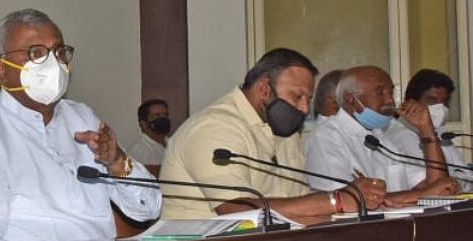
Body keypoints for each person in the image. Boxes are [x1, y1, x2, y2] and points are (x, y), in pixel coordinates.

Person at [0, 9, 160, 241]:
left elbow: (149, 209)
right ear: (0, 70)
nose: (53, 63)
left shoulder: (83, 117)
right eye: (36, 53)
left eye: (59, 52)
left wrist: (117, 162)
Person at [160, 48, 384, 223]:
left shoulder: (283, 130)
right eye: (297, 97)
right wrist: (336, 201)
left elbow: (300, 204)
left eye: (308, 99)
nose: (305, 109)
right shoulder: (214, 128)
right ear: (264, 89)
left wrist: (350, 204)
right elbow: (236, 209)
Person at [304, 66, 458, 203]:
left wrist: (427, 130)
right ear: (351, 100)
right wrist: (420, 195)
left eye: (391, 92)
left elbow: (438, 189)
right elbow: (343, 203)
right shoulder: (326, 137)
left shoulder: (381, 137)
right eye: (380, 93)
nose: (390, 100)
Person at [388, 68, 473, 189]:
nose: (440, 107)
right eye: (432, 101)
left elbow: (468, 177)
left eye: (444, 102)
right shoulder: (400, 134)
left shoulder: (439, 130)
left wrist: (456, 180)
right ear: (411, 102)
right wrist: (456, 179)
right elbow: (433, 186)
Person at [126, 98, 170, 175]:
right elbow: (137, 175)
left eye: (165, 115)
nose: (163, 119)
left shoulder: (173, 142)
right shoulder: (139, 149)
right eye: (156, 116)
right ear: (144, 123)